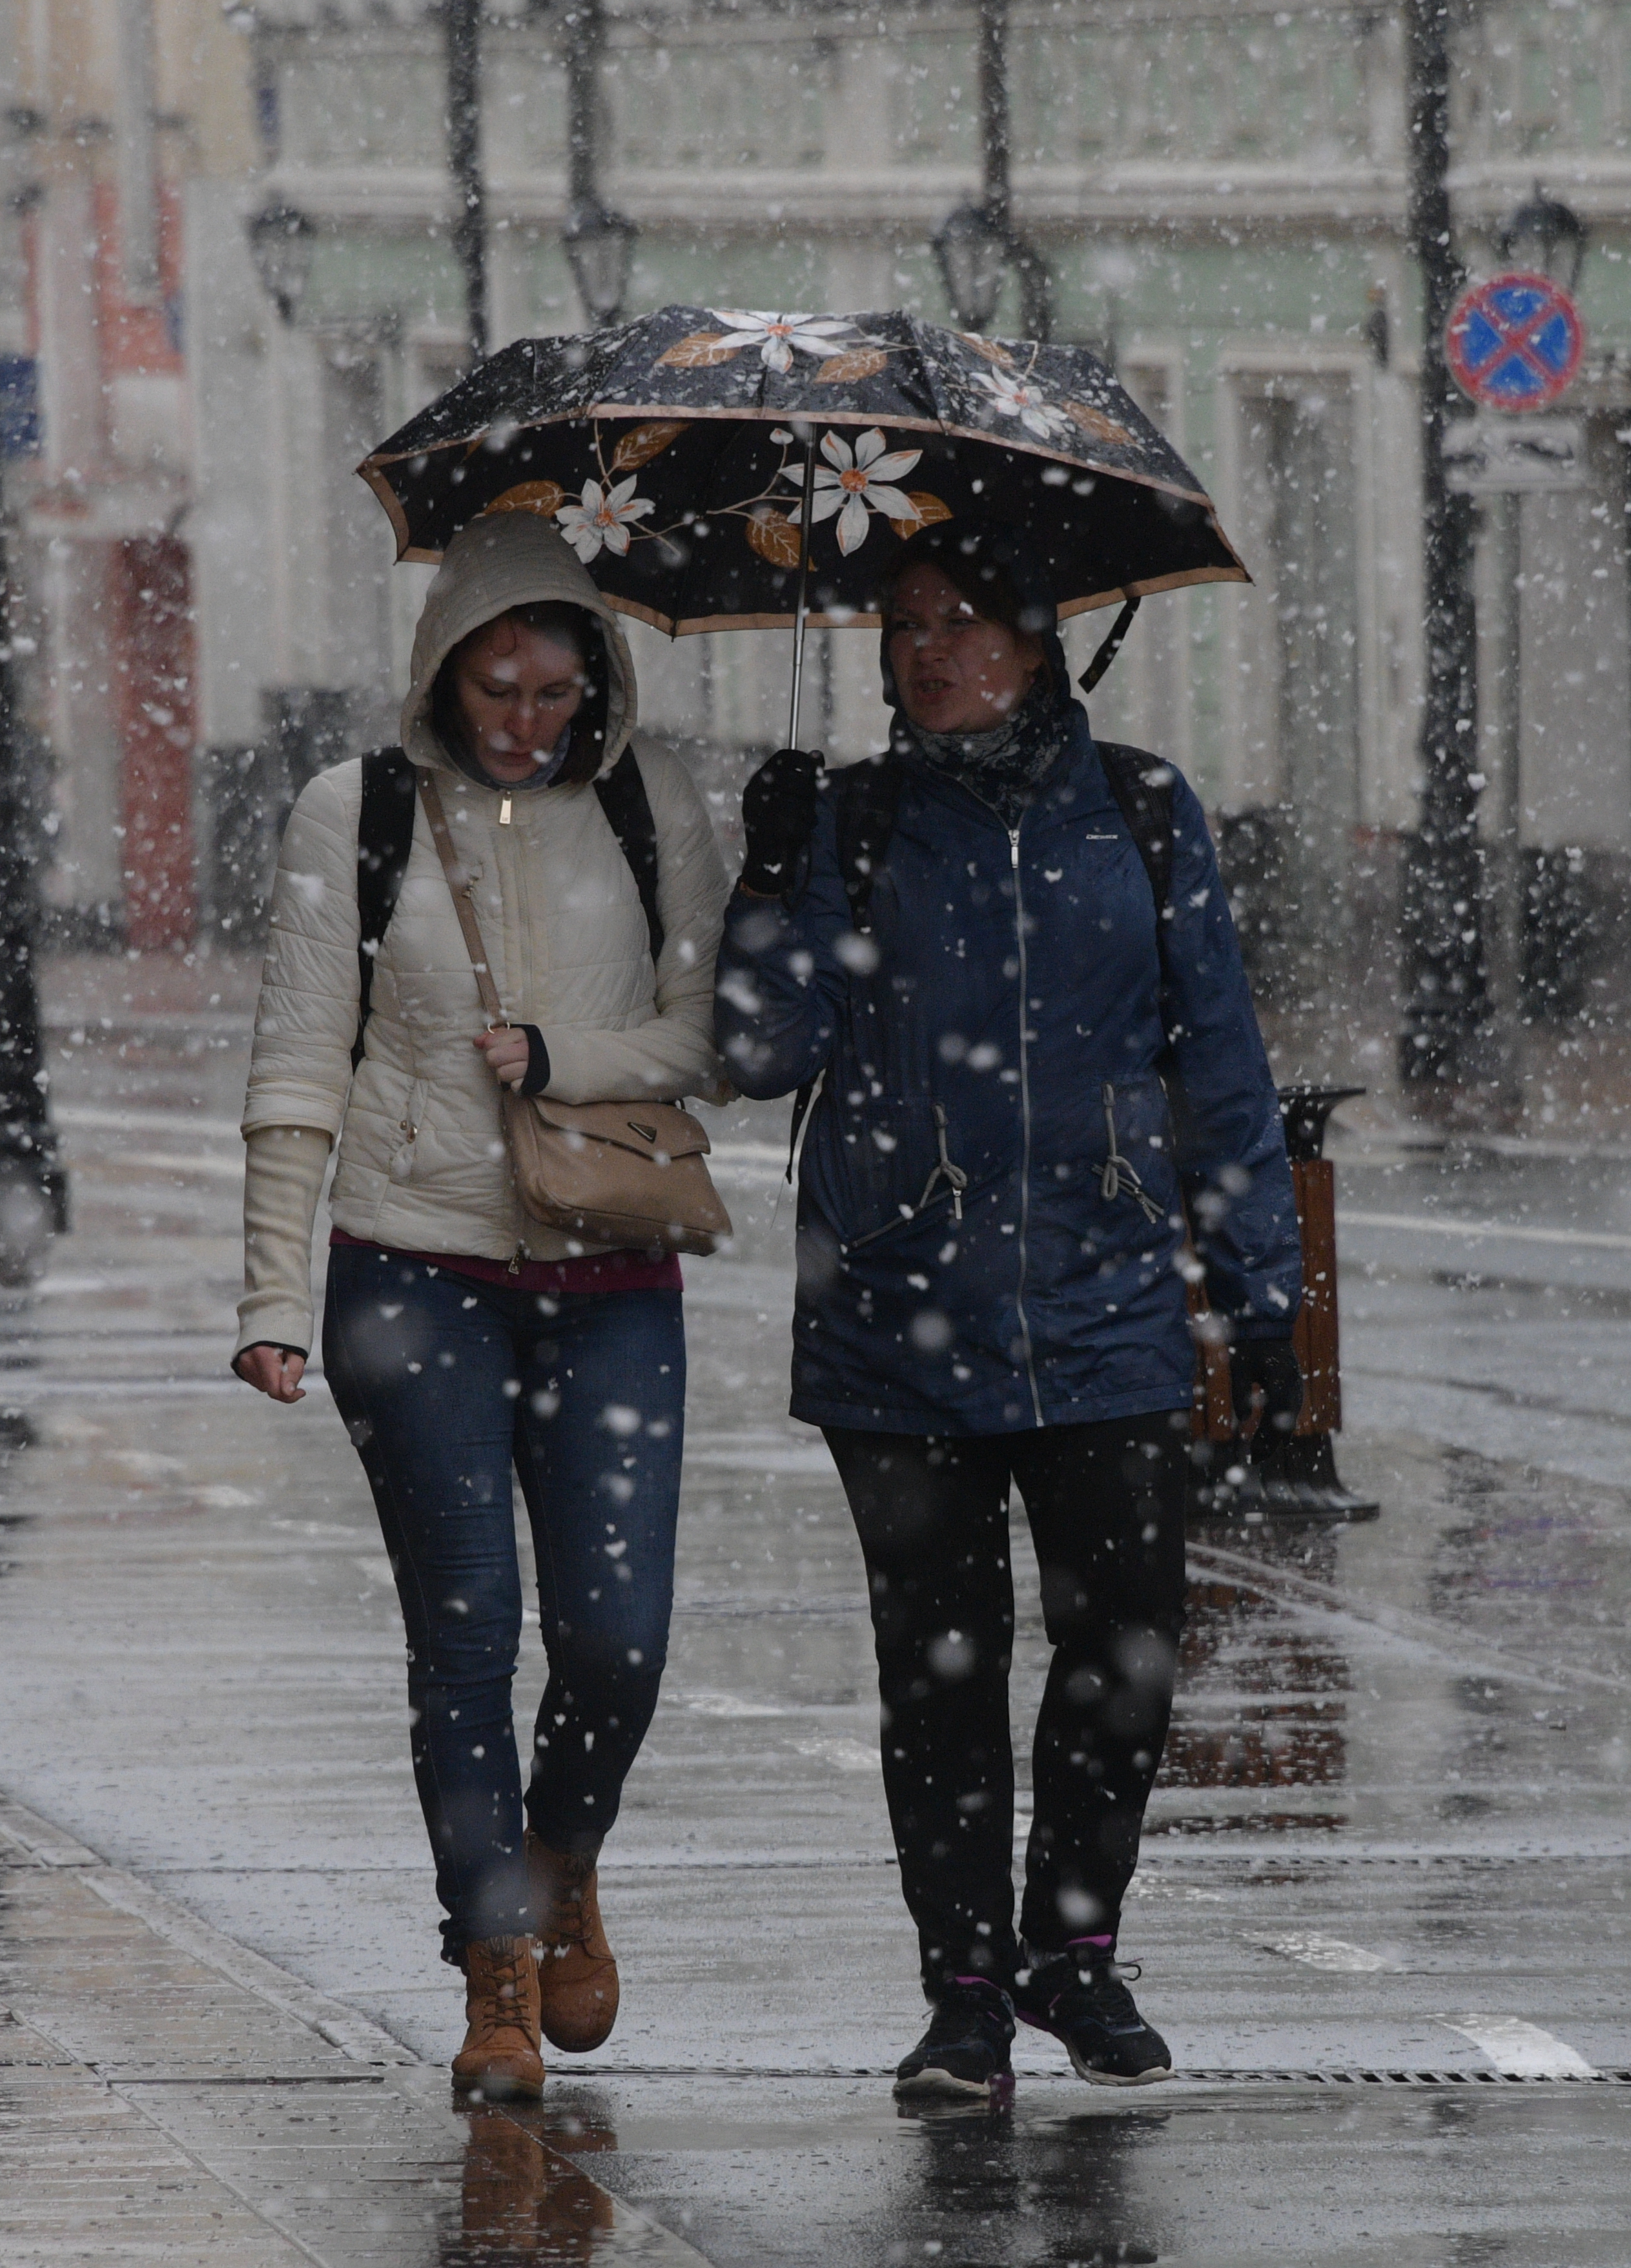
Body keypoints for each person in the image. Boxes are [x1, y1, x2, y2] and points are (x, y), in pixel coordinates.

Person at [715, 520, 1305, 2103]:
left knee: (1126, 1645)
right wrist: (769, 877)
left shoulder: (1143, 811)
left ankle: (1073, 1951)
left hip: (1106, 1296)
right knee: (943, 1666)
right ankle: (966, 1987)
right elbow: (760, 1048)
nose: (928, 651)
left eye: (963, 620)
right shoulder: (854, 820)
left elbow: (1220, 1061)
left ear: (1043, 642)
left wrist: (1261, 1296)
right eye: (903, 626)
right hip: (892, 1312)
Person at [231, 514, 729, 2103]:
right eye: (500, 686)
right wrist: (271, 1286)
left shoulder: (653, 809)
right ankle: (495, 1965)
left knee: (617, 1641)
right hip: (414, 1265)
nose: (529, 719)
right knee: (464, 1638)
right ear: (442, 672)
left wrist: (567, 1055)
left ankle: (563, 1852)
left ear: (598, 685)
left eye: (557, 691)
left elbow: (705, 1033)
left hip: (610, 1274)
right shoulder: (354, 813)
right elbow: (302, 1055)